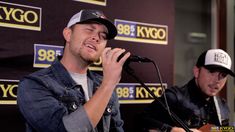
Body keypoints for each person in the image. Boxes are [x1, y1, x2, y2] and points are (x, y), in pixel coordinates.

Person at [17, 9, 130, 132]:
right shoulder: (34, 84)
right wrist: (108, 85)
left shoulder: (103, 84)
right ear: (68, 34)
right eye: (89, 30)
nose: (97, 38)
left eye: (103, 36)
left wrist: (107, 84)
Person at [139, 49, 233, 132]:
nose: (217, 80)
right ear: (197, 71)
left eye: (223, 75)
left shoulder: (222, 106)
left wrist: (217, 129)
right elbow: (141, 121)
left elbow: (222, 129)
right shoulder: (174, 97)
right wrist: (172, 130)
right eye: (212, 72)